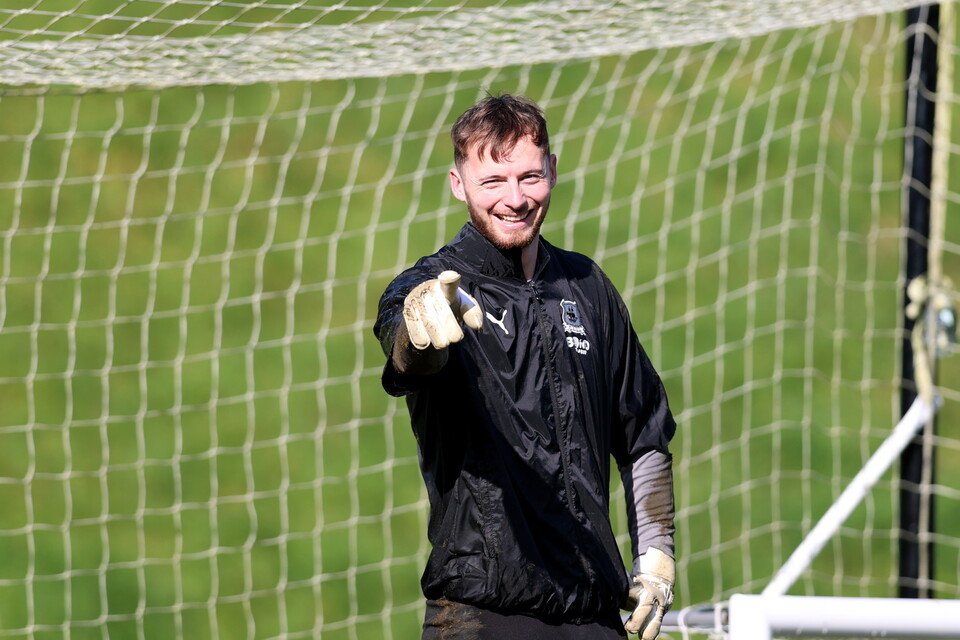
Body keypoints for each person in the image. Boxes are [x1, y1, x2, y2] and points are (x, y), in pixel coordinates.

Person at [373, 94, 677, 639]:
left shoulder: (588, 287)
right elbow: (406, 349)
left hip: (594, 614)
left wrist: (656, 557)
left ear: (553, 172)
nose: (514, 199)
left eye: (529, 177)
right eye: (493, 182)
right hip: (482, 613)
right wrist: (418, 328)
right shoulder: (434, 286)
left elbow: (643, 432)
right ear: (458, 183)